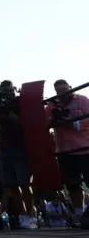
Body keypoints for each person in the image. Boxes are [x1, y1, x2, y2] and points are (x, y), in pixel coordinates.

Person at [0, 80, 36, 229]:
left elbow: (27, 123)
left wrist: (9, 113)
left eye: (9, 90)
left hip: (21, 146)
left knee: (25, 183)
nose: (7, 93)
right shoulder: (0, 104)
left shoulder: (21, 102)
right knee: (11, 185)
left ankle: (31, 216)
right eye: (4, 91)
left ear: (14, 89)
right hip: (5, 147)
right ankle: (23, 217)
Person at [45, 79, 89, 227]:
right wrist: (54, 119)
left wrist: (72, 122)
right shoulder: (52, 104)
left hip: (85, 147)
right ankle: (79, 213)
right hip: (64, 150)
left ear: (70, 88)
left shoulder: (83, 100)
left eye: (64, 90)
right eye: (58, 92)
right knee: (72, 185)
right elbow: (45, 123)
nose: (62, 94)